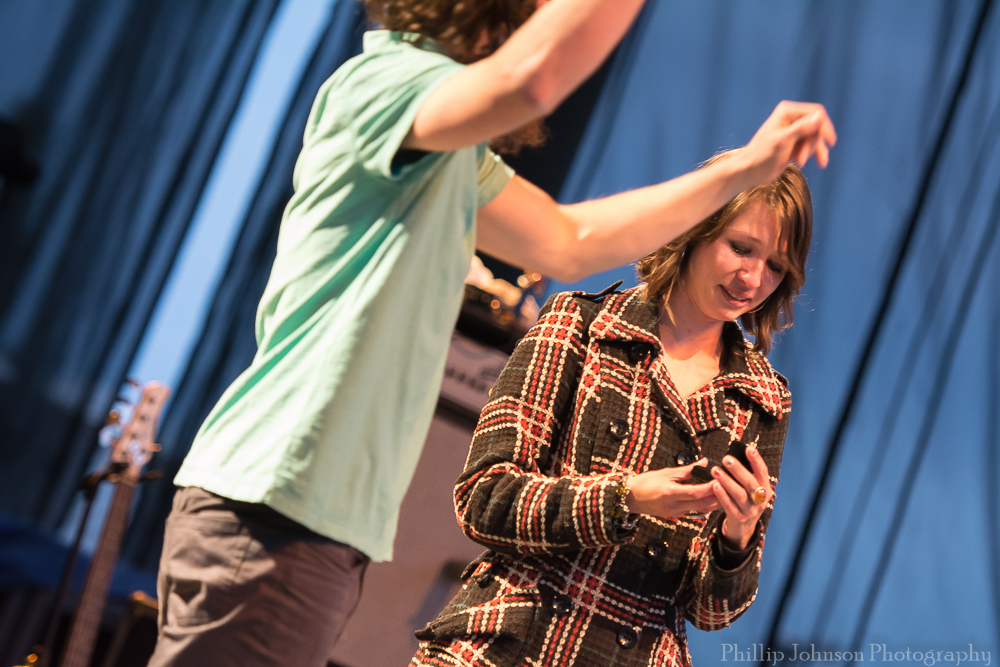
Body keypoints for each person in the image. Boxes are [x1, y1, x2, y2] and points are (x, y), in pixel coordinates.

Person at [148, 0, 837, 663]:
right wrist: (625, 496)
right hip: (279, 501)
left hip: (317, 521)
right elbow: (532, 79)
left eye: (775, 264)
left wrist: (746, 171)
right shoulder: (385, 84)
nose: (547, 17)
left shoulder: (449, 155)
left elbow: (568, 240)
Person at [409, 152, 812, 667]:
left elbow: (713, 613)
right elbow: (484, 499)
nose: (752, 278)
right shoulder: (579, 325)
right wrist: (625, 498)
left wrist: (739, 537)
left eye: (776, 266)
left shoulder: (762, 399)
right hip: (504, 644)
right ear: (695, 226)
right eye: (741, 248)